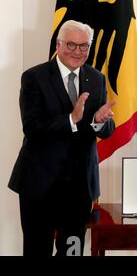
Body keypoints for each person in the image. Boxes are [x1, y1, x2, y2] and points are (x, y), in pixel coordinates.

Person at [8, 20, 115, 256]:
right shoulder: (34, 77)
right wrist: (71, 119)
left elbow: (107, 130)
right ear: (58, 44)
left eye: (84, 46)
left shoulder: (97, 79)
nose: (77, 52)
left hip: (78, 188)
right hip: (39, 185)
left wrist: (99, 120)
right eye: (71, 45)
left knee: (72, 252)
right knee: (37, 251)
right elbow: (32, 127)